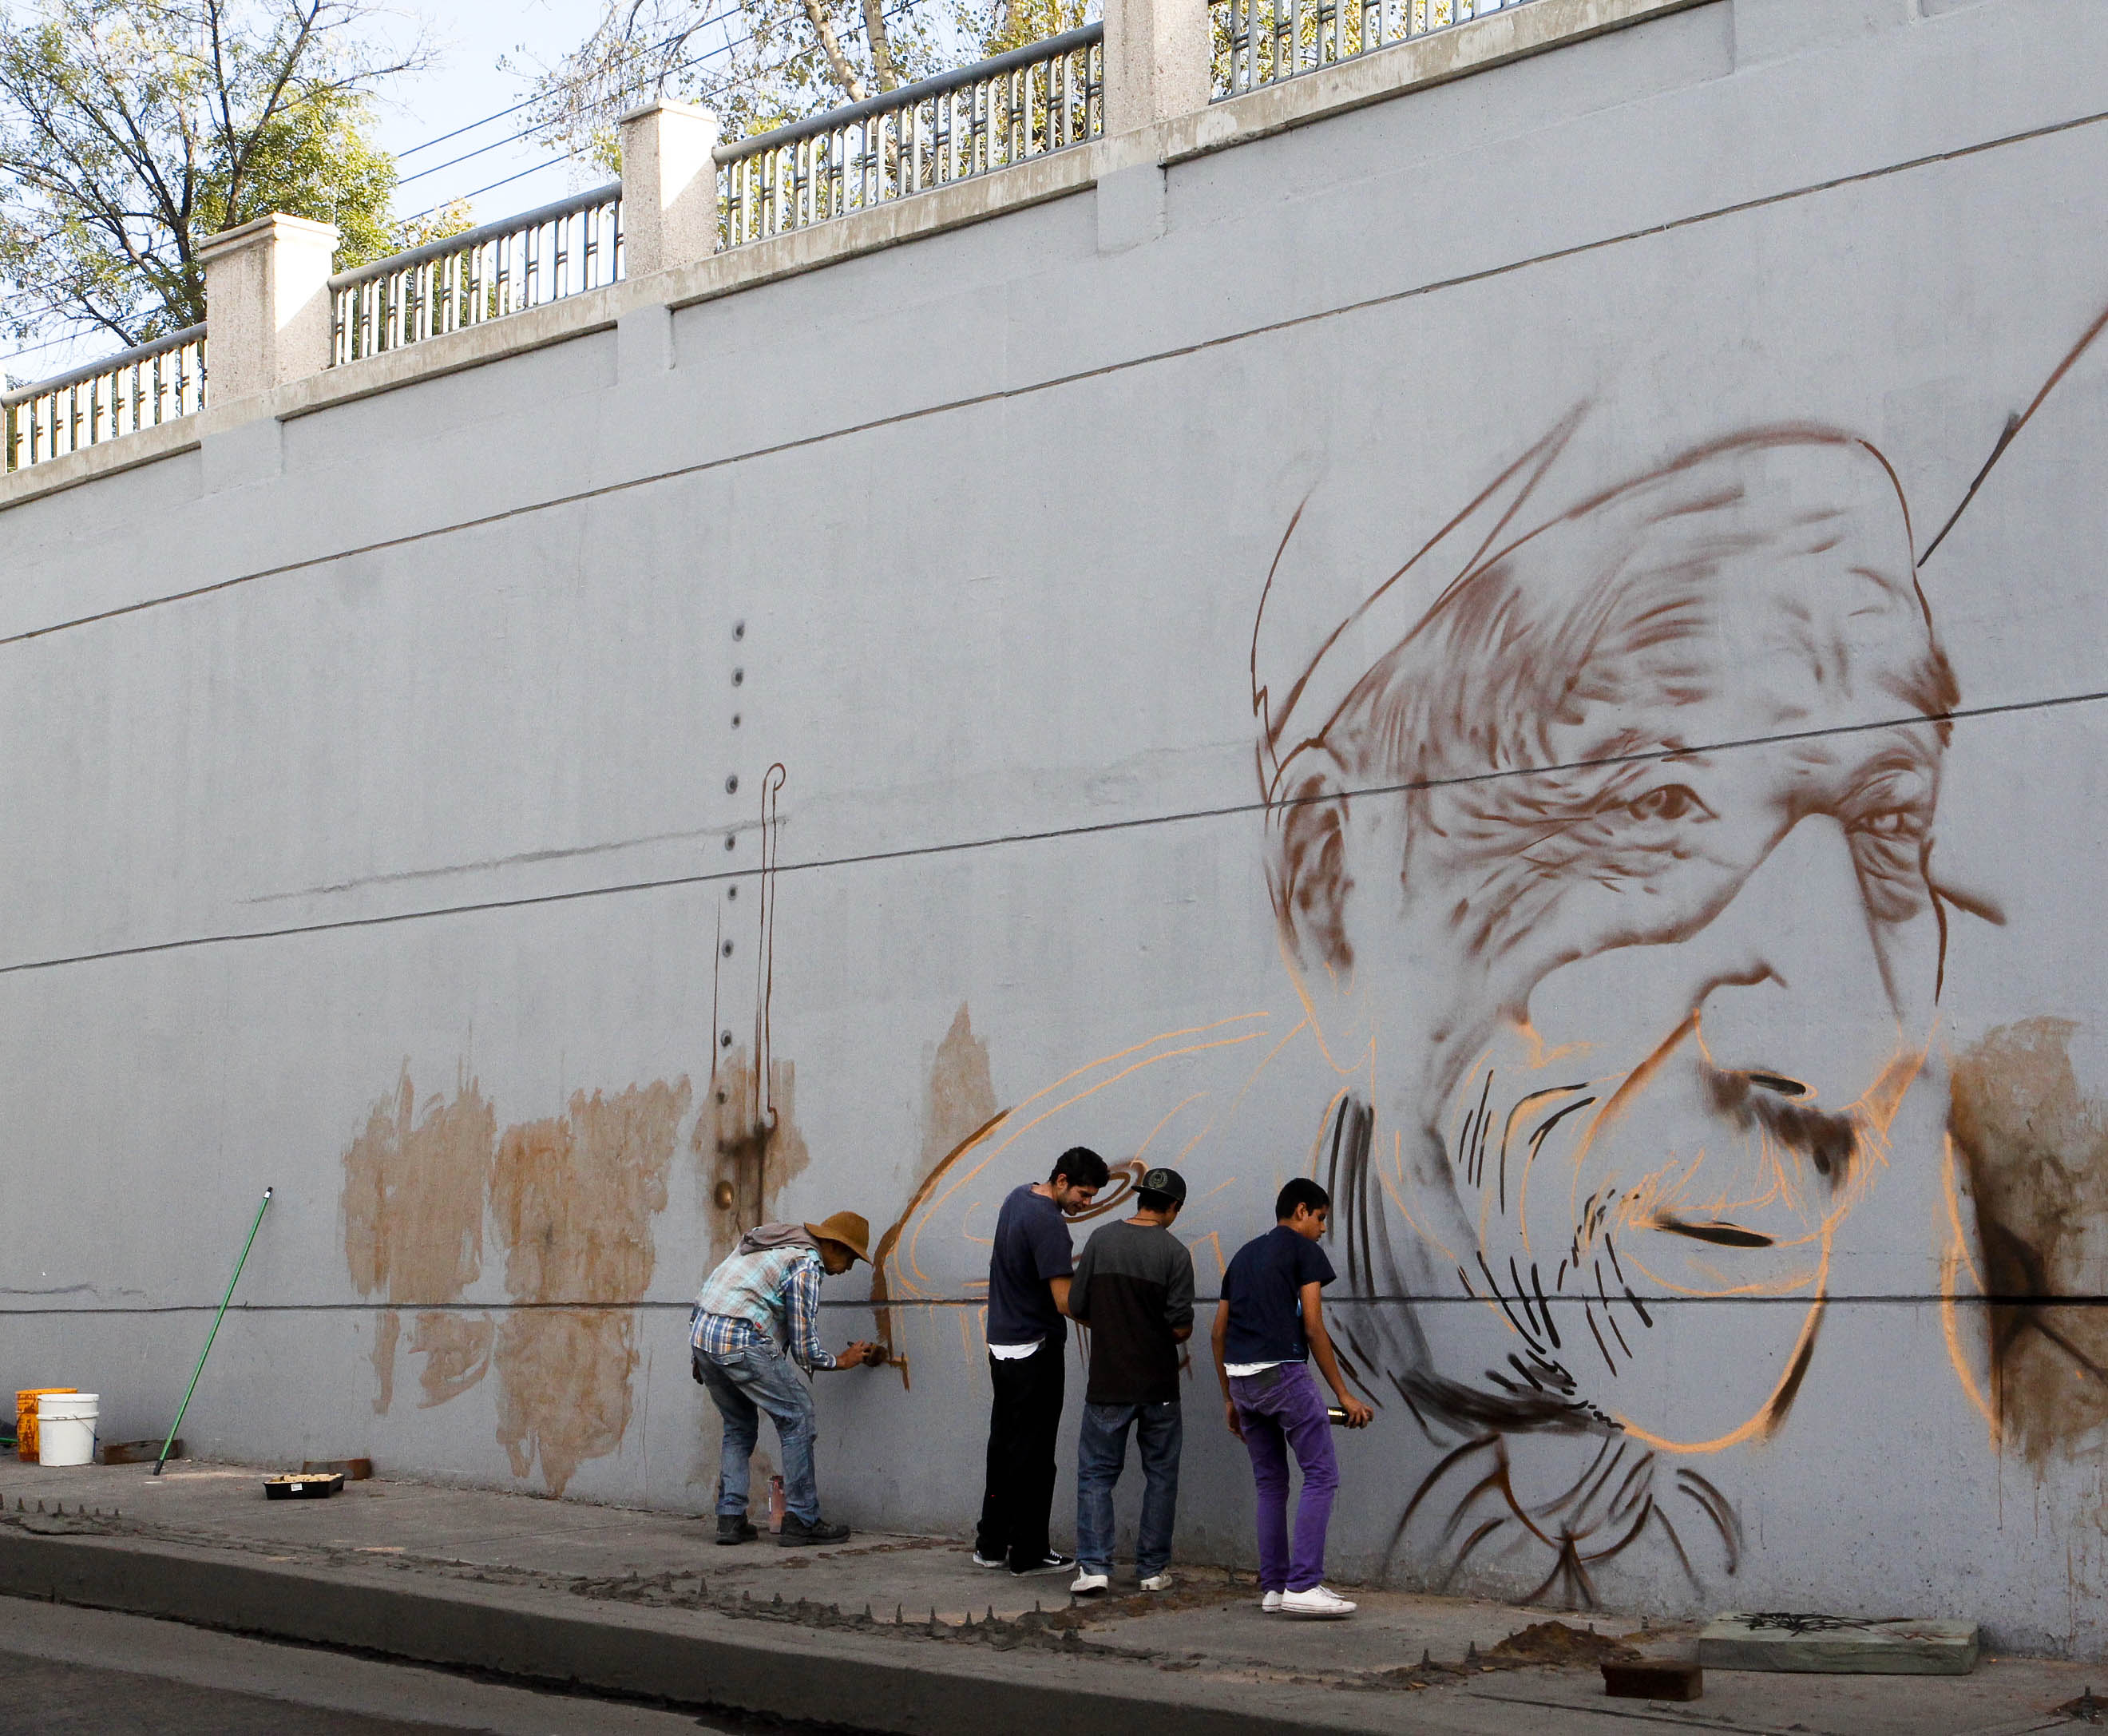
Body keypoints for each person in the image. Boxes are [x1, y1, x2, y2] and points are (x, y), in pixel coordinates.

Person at [1213, 1178, 1371, 1618]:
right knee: (1321, 1476)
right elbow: (1313, 1327)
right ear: (1301, 1211)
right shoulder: (1304, 1252)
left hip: (1242, 1379)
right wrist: (1343, 1393)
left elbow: (1218, 1332)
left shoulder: (1243, 1256)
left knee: (1270, 1484)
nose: (1323, 1229)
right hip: (1283, 1373)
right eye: (1321, 1218)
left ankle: (1275, 1587)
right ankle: (1303, 1585)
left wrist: (1230, 1399)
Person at [690, 1211, 881, 1547]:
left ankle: (730, 1519)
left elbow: (714, 1285)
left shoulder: (768, 1240)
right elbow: (805, 1350)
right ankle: (802, 1519)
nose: (848, 1268)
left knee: (739, 1426)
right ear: (832, 1246)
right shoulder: (805, 1265)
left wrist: (701, 1357)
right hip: (740, 1336)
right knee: (798, 1416)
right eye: (850, 1257)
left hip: (704, 1334)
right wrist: (841, 1361)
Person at [974, 1144, 1109, 1575]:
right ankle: (1029, 1553)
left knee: (1004, 1448)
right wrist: (1113, 1324)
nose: (1085, 1205)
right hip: (1035, 1350)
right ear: (1062, 1181)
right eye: (1083, 1195)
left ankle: (991, 1545)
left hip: (1002, 1345)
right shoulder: (1050, 1224)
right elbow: (1065, 1301)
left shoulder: (1018, 1197)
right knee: (1036, 1457)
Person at [1065, 1165, 1195, 1595]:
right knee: (1161, 1475)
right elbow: (1180, 1329)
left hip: (1109, 1382)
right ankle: (1152, 1570)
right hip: (1158, 1385)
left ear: (1139, 1198)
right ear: (1173, 1208)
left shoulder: (1101, 1240)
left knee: (1097, 1475)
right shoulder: (1176, 1254)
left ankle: (1095, 1568)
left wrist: (1110, 1323)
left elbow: (1077, 1304)